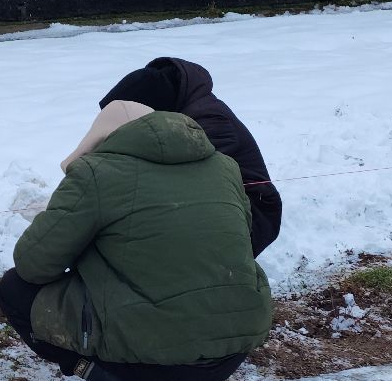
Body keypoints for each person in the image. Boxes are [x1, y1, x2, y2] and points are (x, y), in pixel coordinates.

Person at [0, 100, 276, 381]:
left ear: (99, 139)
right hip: (230, 356)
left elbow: (33, 264)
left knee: (14, 290)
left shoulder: (96, 173)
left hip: (154, 371)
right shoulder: (225, 167)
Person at [99, 57, 283, 256]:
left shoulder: (208, 121)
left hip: (255, 212)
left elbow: (190, 180)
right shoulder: (179, 112)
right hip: (223, 205)